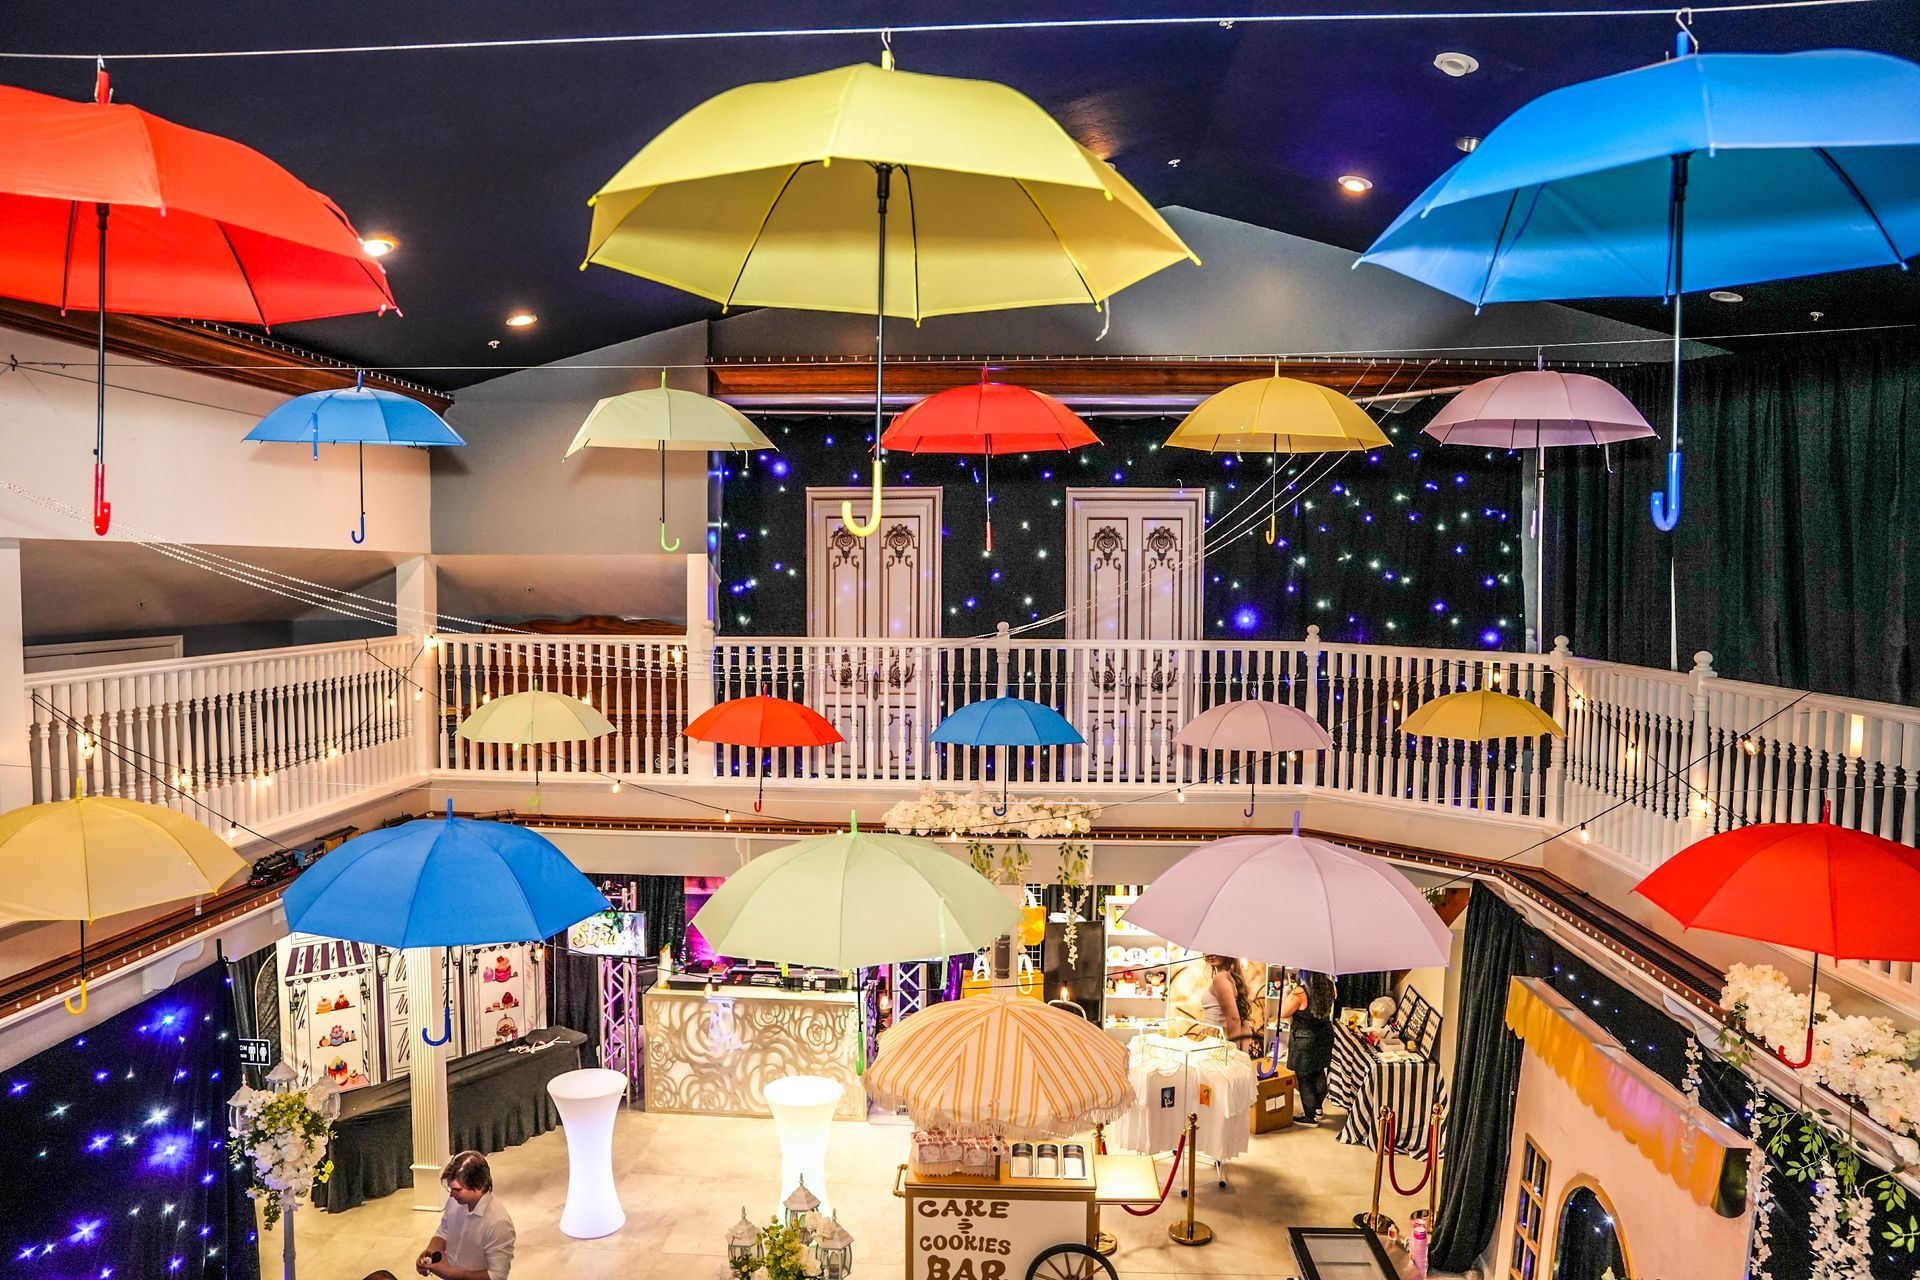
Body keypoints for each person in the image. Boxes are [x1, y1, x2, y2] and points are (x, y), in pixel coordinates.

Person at [416, 1150, 515, 1280]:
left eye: (457, 1190)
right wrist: (430, 1252)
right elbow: (444, 1231)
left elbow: (497, 1276)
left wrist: (452, 1275)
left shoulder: (498, 1223)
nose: (451, 1195)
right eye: (450, 1189)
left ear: (478, 1185)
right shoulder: (455, 1200)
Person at [1282, 969, 1338, 1123]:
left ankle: (1310, 1116)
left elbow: (1284, 1013)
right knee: (1318, 1071)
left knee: (1304, 1076)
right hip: (1324, 1036)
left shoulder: (1299, 993)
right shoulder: (1330, 985)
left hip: (1305, 1039)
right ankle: (1318, 1109)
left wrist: (1288, 994)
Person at [1199, 954, 1257, 1050]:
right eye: (1207, 950)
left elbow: (1234, 1019)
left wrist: (1233, 1053)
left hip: (1214, 1044)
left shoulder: (1220, 978)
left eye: (1215, 949)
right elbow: (1244, 1022)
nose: (1209, 954)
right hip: (1213, 1043)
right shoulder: (1229, 977)